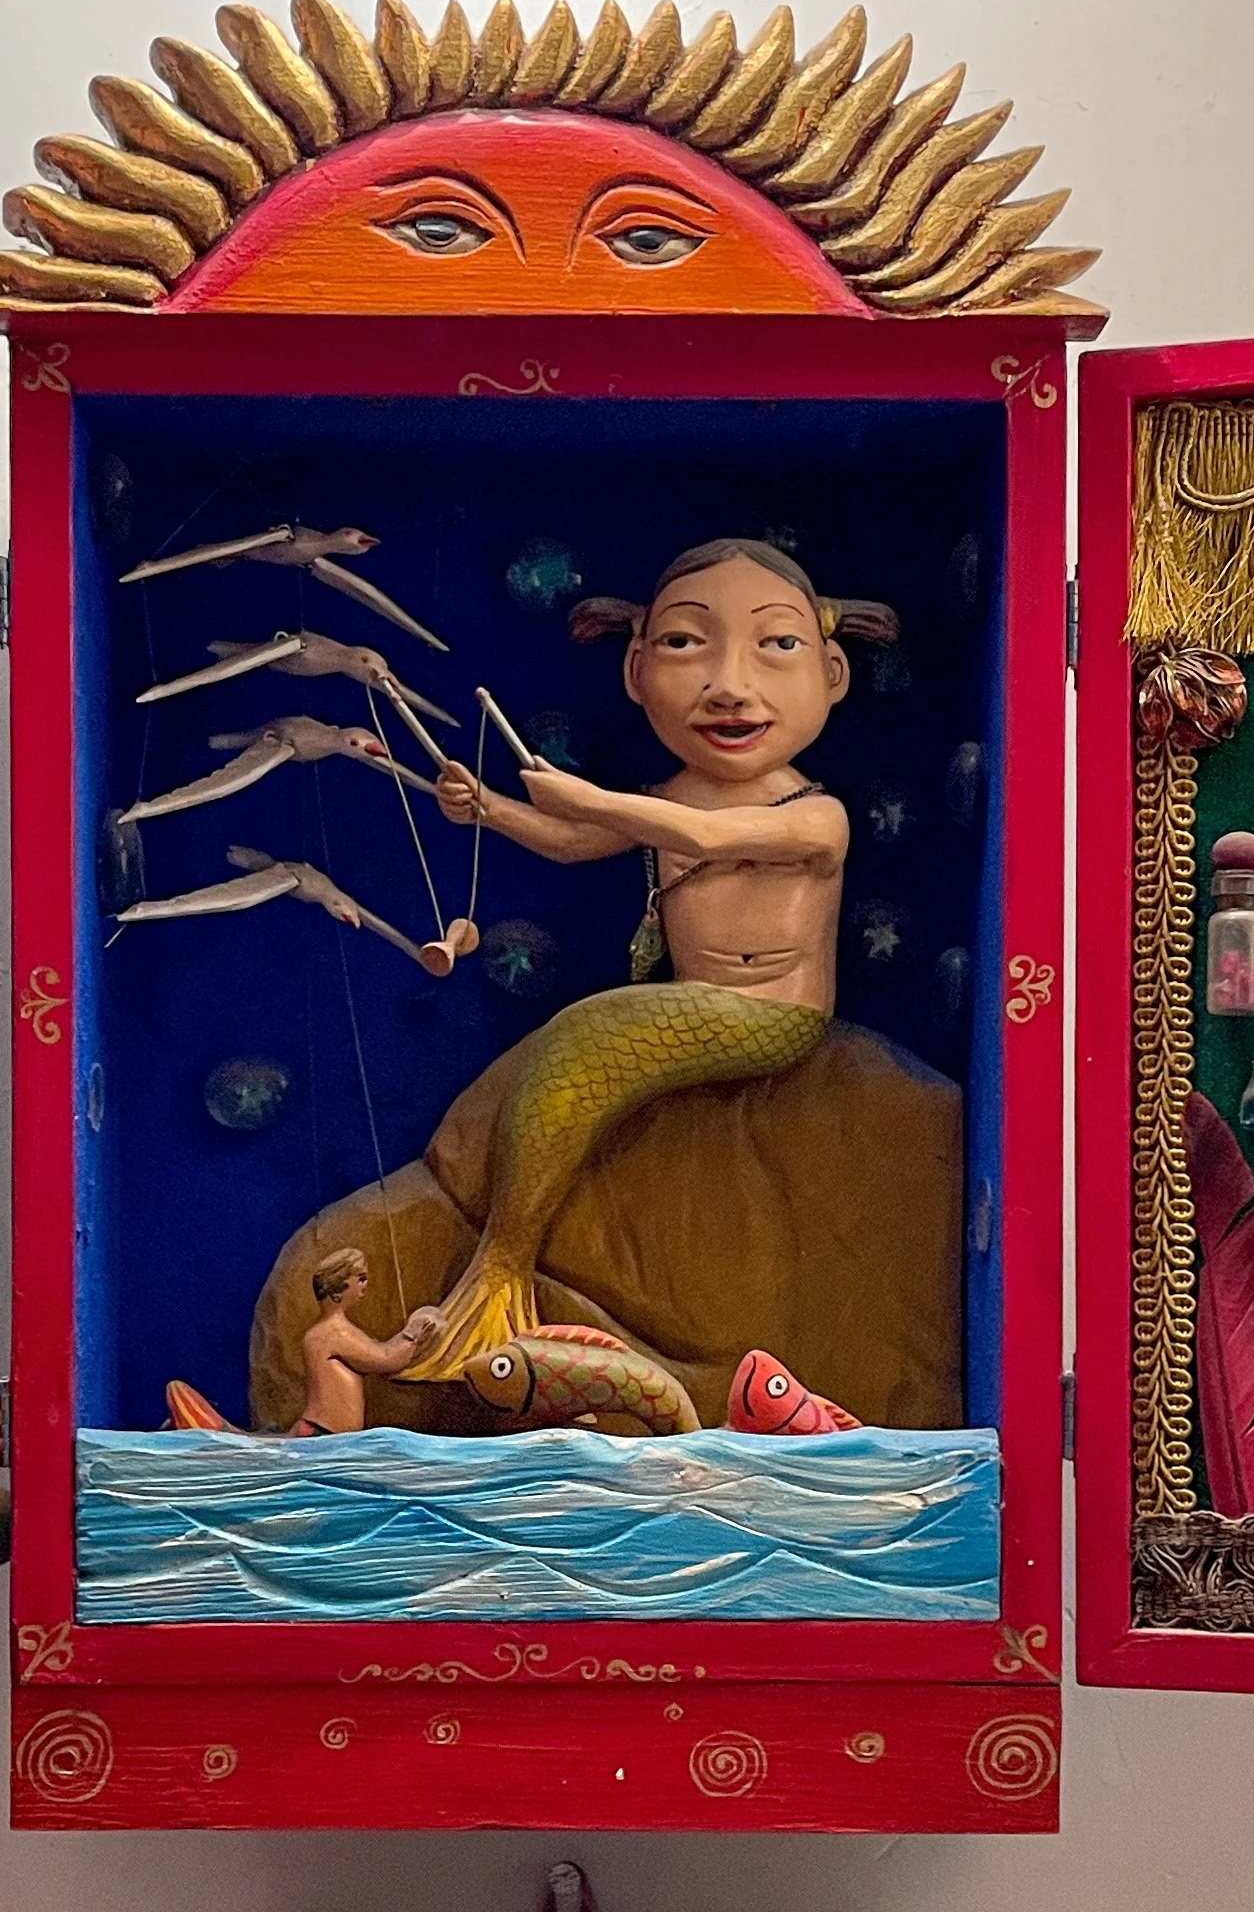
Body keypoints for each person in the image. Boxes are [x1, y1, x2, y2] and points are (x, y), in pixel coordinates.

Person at [395, 538, 894, 1381]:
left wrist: (593, 797)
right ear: (636, 672)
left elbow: (705, 835)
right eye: (684, 643)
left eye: (777, 644)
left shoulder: (818, 816)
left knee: (590, 1032)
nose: (729, 687)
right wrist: (489, 809)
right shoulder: (666, 799)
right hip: (693, 1001)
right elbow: (575, 840)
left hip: (774, 1014)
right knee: (580, 1041)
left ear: (832, 673)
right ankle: (505, 1257)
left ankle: (505, 1259)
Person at [295, 1248, 445, 1434]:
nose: (364, 1285)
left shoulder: (329, 1330)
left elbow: (381, 1351)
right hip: (323, 1434)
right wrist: (412, 1332)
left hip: (327, 1434)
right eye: (360, 1279)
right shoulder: (334, 1333)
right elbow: (386, 1359)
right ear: (338, 1289)